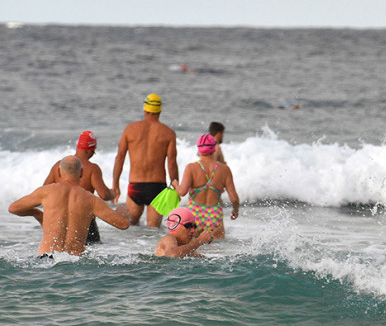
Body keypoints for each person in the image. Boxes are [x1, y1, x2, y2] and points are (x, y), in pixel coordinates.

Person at [9, 155, 130, 257]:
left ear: (58, 172)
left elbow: (13, 208)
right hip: (74, 261)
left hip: (46, 258)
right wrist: (122, 212)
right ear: (81, 173)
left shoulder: (45, 192)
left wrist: (36, 213)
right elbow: (124, 224)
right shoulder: (91, 199)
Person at [112, 93, 179, 227]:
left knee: (131, 227)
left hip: (135, 185)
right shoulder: (168, 133)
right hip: (157, 187)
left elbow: (120, 158)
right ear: (159, 110)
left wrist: (116, 184)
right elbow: (171, 163)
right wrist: (175, 186)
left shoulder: (130, 129)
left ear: (145, 110)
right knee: (153, 231)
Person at [43, 130, 115, 244]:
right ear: (91, 150)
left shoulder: (59, 165)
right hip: (84, 222)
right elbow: (104, 194)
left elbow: (45, 190)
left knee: (60, 252)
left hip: (60, 220)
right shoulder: (92, 169)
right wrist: (113, 193)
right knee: (90, 254)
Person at [172, 134, 240, 239]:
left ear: (199, 150)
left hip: (194, 213)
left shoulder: (191, 168)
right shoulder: (224, 169)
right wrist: (235, 210)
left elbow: (182, 192)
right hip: (214, 215)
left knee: (193, 247)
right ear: (214, 149)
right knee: (218, 250)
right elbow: (234, 198)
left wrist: (175, 184)